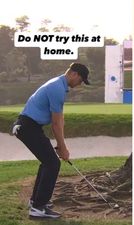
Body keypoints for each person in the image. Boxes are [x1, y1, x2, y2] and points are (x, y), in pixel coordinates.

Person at [11, 63, 90, 219]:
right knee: (52, 163)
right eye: (81, 80)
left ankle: (36, 201)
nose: (80, 84)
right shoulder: (57, 88)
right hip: (27, 127)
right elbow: (55, 124)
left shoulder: (58, 85)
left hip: (30, 127)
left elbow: (59, 120)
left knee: (49, 162)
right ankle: (38, 208)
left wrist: (61, 147)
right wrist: (63, 148)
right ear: (73, 74)